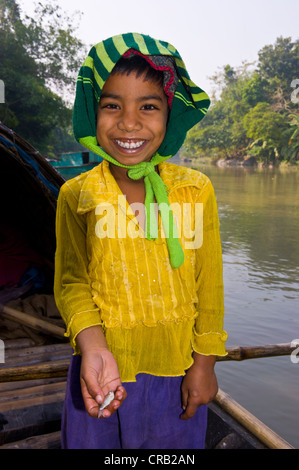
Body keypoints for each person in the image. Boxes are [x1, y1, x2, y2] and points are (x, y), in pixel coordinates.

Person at [54, 32, 227, 450]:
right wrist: (92, 345)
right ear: (91, 112)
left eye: (148, 107)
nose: (129, 123)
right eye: (112, 105)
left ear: (170, 115)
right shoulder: (77, 195)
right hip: (100, 369)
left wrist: (203, 364)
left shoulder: (195, 189)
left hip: (176, 369)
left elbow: (210, 286)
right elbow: (71, 281)